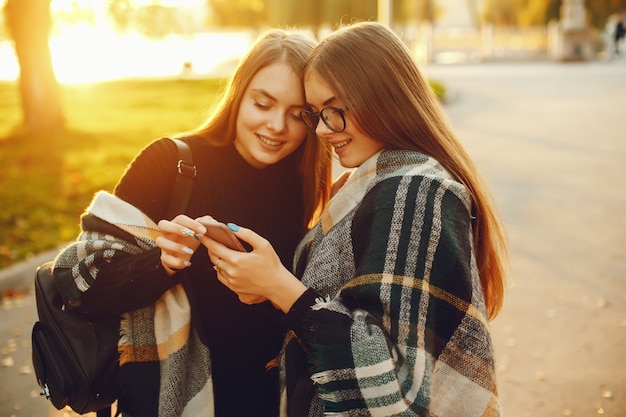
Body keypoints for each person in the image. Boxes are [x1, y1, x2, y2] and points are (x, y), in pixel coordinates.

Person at [203, 21, 508, 416]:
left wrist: (282, 289)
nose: (325, 130)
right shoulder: (374, 182)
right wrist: (267, 286)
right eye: (315, 113)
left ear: (383, 97)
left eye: (335, 110)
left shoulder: (413, 190)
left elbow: (394, 387)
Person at [52, 29, 332, 417]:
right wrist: (162, 263)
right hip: (173, 398)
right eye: (263, 104)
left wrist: (271, 288)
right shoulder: (171, 163)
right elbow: (81, 283)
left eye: (296, 114)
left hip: (270, 397)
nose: (276, 126)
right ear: (238, 96)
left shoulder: (306, 182)